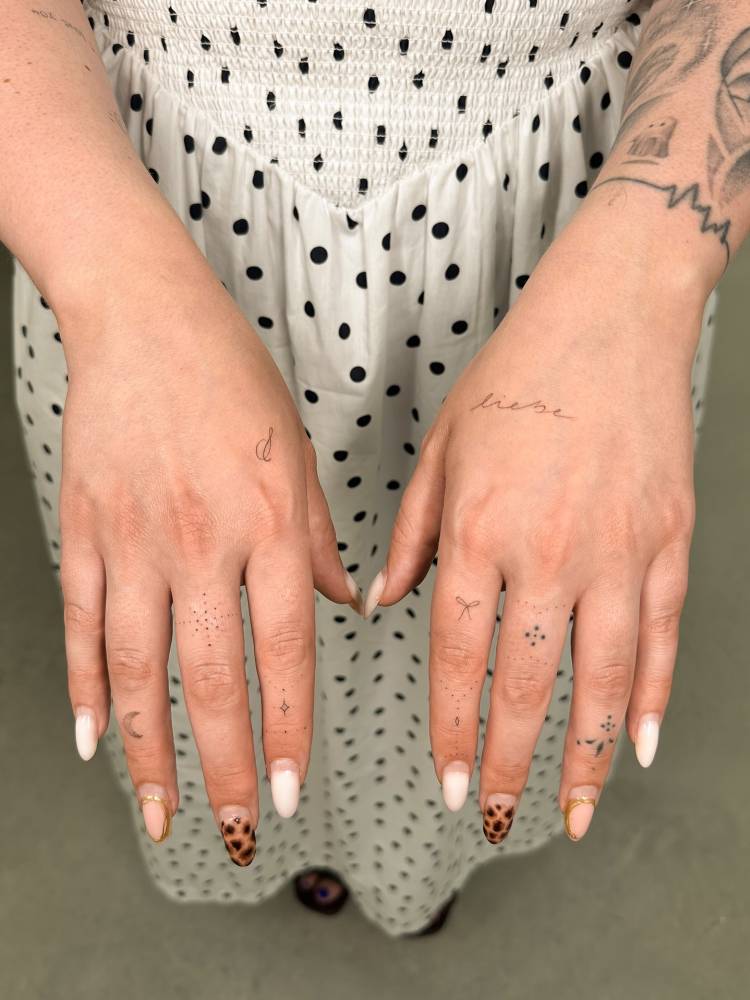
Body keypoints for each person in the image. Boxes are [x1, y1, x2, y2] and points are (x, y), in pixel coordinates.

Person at [3, 0, 746, 936]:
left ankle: (417, 853)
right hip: (122, 195)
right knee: (208, 635)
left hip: (585, 231)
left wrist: (648, 279)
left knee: (501, 637)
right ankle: (294, 831)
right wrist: (113, 284)